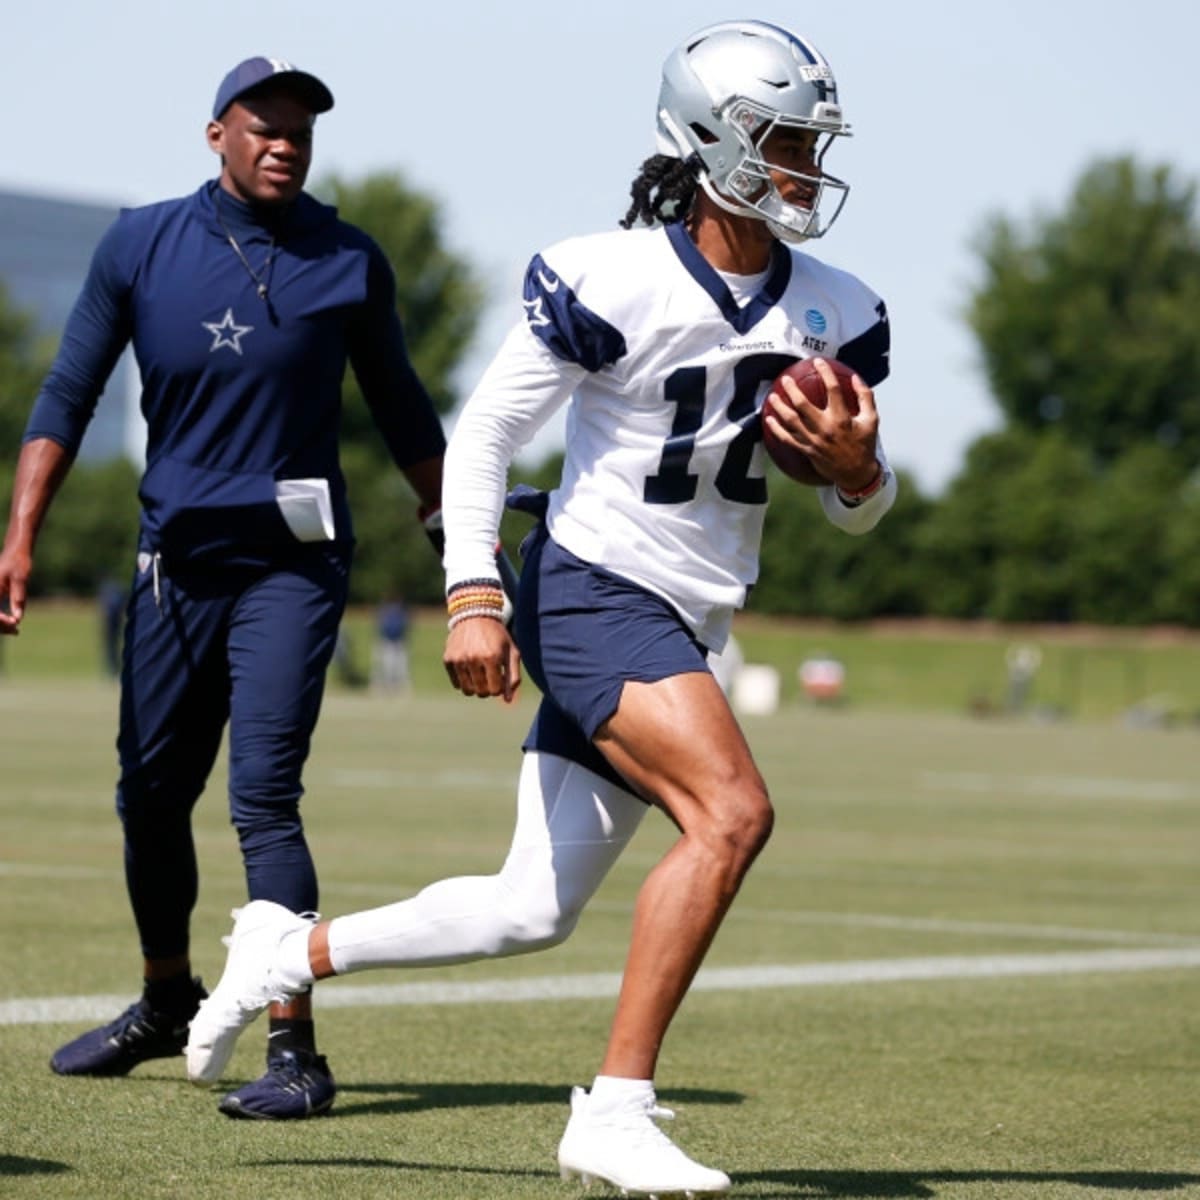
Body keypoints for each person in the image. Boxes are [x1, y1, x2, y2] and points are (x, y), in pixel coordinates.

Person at [186, 20, 896, 1191]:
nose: (804, 169)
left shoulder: (837, 310)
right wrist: (473, 590)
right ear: (711, 140)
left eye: (811, 145)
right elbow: (485, 439)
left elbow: (854, 509)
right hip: (594, 591)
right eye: (781, 142)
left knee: (530, 908)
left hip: (692, 622)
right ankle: (614, 1111)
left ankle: (286, 952)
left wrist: (858, 473)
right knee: (731, 815)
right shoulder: (610, 274)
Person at [0, 56, 447, 1120]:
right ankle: (165, 1000)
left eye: (301, 129)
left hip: (291, 568)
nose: (285, 142)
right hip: (172, 567)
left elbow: (405, 413)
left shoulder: (349, 259)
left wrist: (460, 555)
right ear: (217, 136)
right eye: (265, 125)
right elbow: (69, 391)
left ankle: (296, 1052)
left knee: (260, 795)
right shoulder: (140, 242)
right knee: (149, 796)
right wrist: (20, 536)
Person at [371, 594, 412, 692]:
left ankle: (397, 687)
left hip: (397, 641)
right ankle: (388, 687)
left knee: (397, 667)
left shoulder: (394, 611)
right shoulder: (391, 610)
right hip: (388, 640)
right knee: (388, 666)